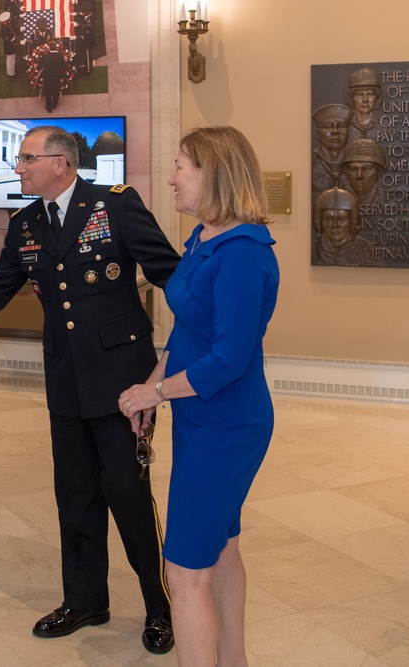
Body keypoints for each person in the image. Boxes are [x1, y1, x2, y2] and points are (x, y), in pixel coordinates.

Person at [0, 125, 180, 654]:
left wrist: (184, 351)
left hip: (122, 380)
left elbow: (172, 274)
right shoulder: (25, 223)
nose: (19, 167)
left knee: (127, 494)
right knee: (75, 495)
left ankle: (159, 605)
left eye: (27, 158)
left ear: (60, 162)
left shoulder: (116, 206)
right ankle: (86, 599)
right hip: (65, 379)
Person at [119, 126, 279, 667]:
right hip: (199, 419)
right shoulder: (204, 238)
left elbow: (229, 358)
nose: (171, 177)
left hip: (228, 426)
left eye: (182, 166)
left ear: (216, 173)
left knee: (185, 572)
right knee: (222, 546)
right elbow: (190, 333)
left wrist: (159, 391)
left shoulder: (242, 253)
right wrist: (149, 389)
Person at [312, 187, 371, 266]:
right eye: (329, 219)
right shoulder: (312, 250)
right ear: (319, 222)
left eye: (341, 220)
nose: (335, 225)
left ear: (352, 222)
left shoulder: (366, 249)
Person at [310, 104, 352, 194]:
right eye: (328, 127)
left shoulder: (354, 161)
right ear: (318, 134)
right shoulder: (311, 161)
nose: (335, 131)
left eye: (341, 126)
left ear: (348, 132)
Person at [340, 138, 386, 205]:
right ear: (347, 172)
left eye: (367, 169)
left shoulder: (393, 202)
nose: (359, 176)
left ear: (378, 172)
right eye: (354, 169)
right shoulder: (338, 201)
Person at [346, 67, 381, 142]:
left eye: (370, 94)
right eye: (359, 95)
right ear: (352, 97)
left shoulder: (385, 126)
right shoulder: (344, 126)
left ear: (376, 97)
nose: (365, 99)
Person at [38, 40, 66, 113]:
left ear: (49, 48)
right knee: (56, 90)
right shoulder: (60, 56)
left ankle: (48, 107)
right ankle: (54, 104)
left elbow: (40, 66)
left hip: (47, 76)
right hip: (56, 76)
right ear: (55, 48)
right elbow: (64, 66)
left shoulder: (45, 56)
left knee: (48, 91)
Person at [0, 12, 19, 77]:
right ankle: (10, 72)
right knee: (10, 60)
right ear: (4, 22)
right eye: (8, 20)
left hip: (11, 46)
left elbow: (13, 29)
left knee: (12, 59)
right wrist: (13, 39)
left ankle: (12, 71)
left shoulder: (7, 26)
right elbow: (7, 38)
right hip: (9, 46)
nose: (9, 21)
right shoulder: (4, 29)